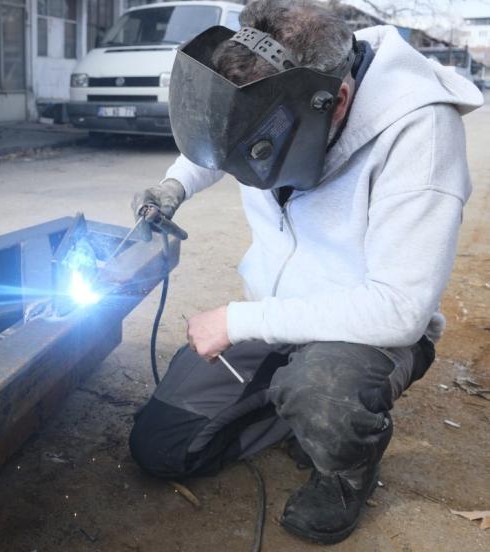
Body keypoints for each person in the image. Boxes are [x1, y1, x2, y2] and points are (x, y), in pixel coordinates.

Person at [127, 0, 483, 544]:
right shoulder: (275, 99)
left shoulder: (420, 134)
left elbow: (400, 308)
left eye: (262, 147)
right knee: (161, 448)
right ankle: (291, 408)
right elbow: (220, 137)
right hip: (279, 314)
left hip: (368, 333)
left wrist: (238, 322)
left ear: (335, 102)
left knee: (322, 390)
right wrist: (175, 185)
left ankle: (346, 471)